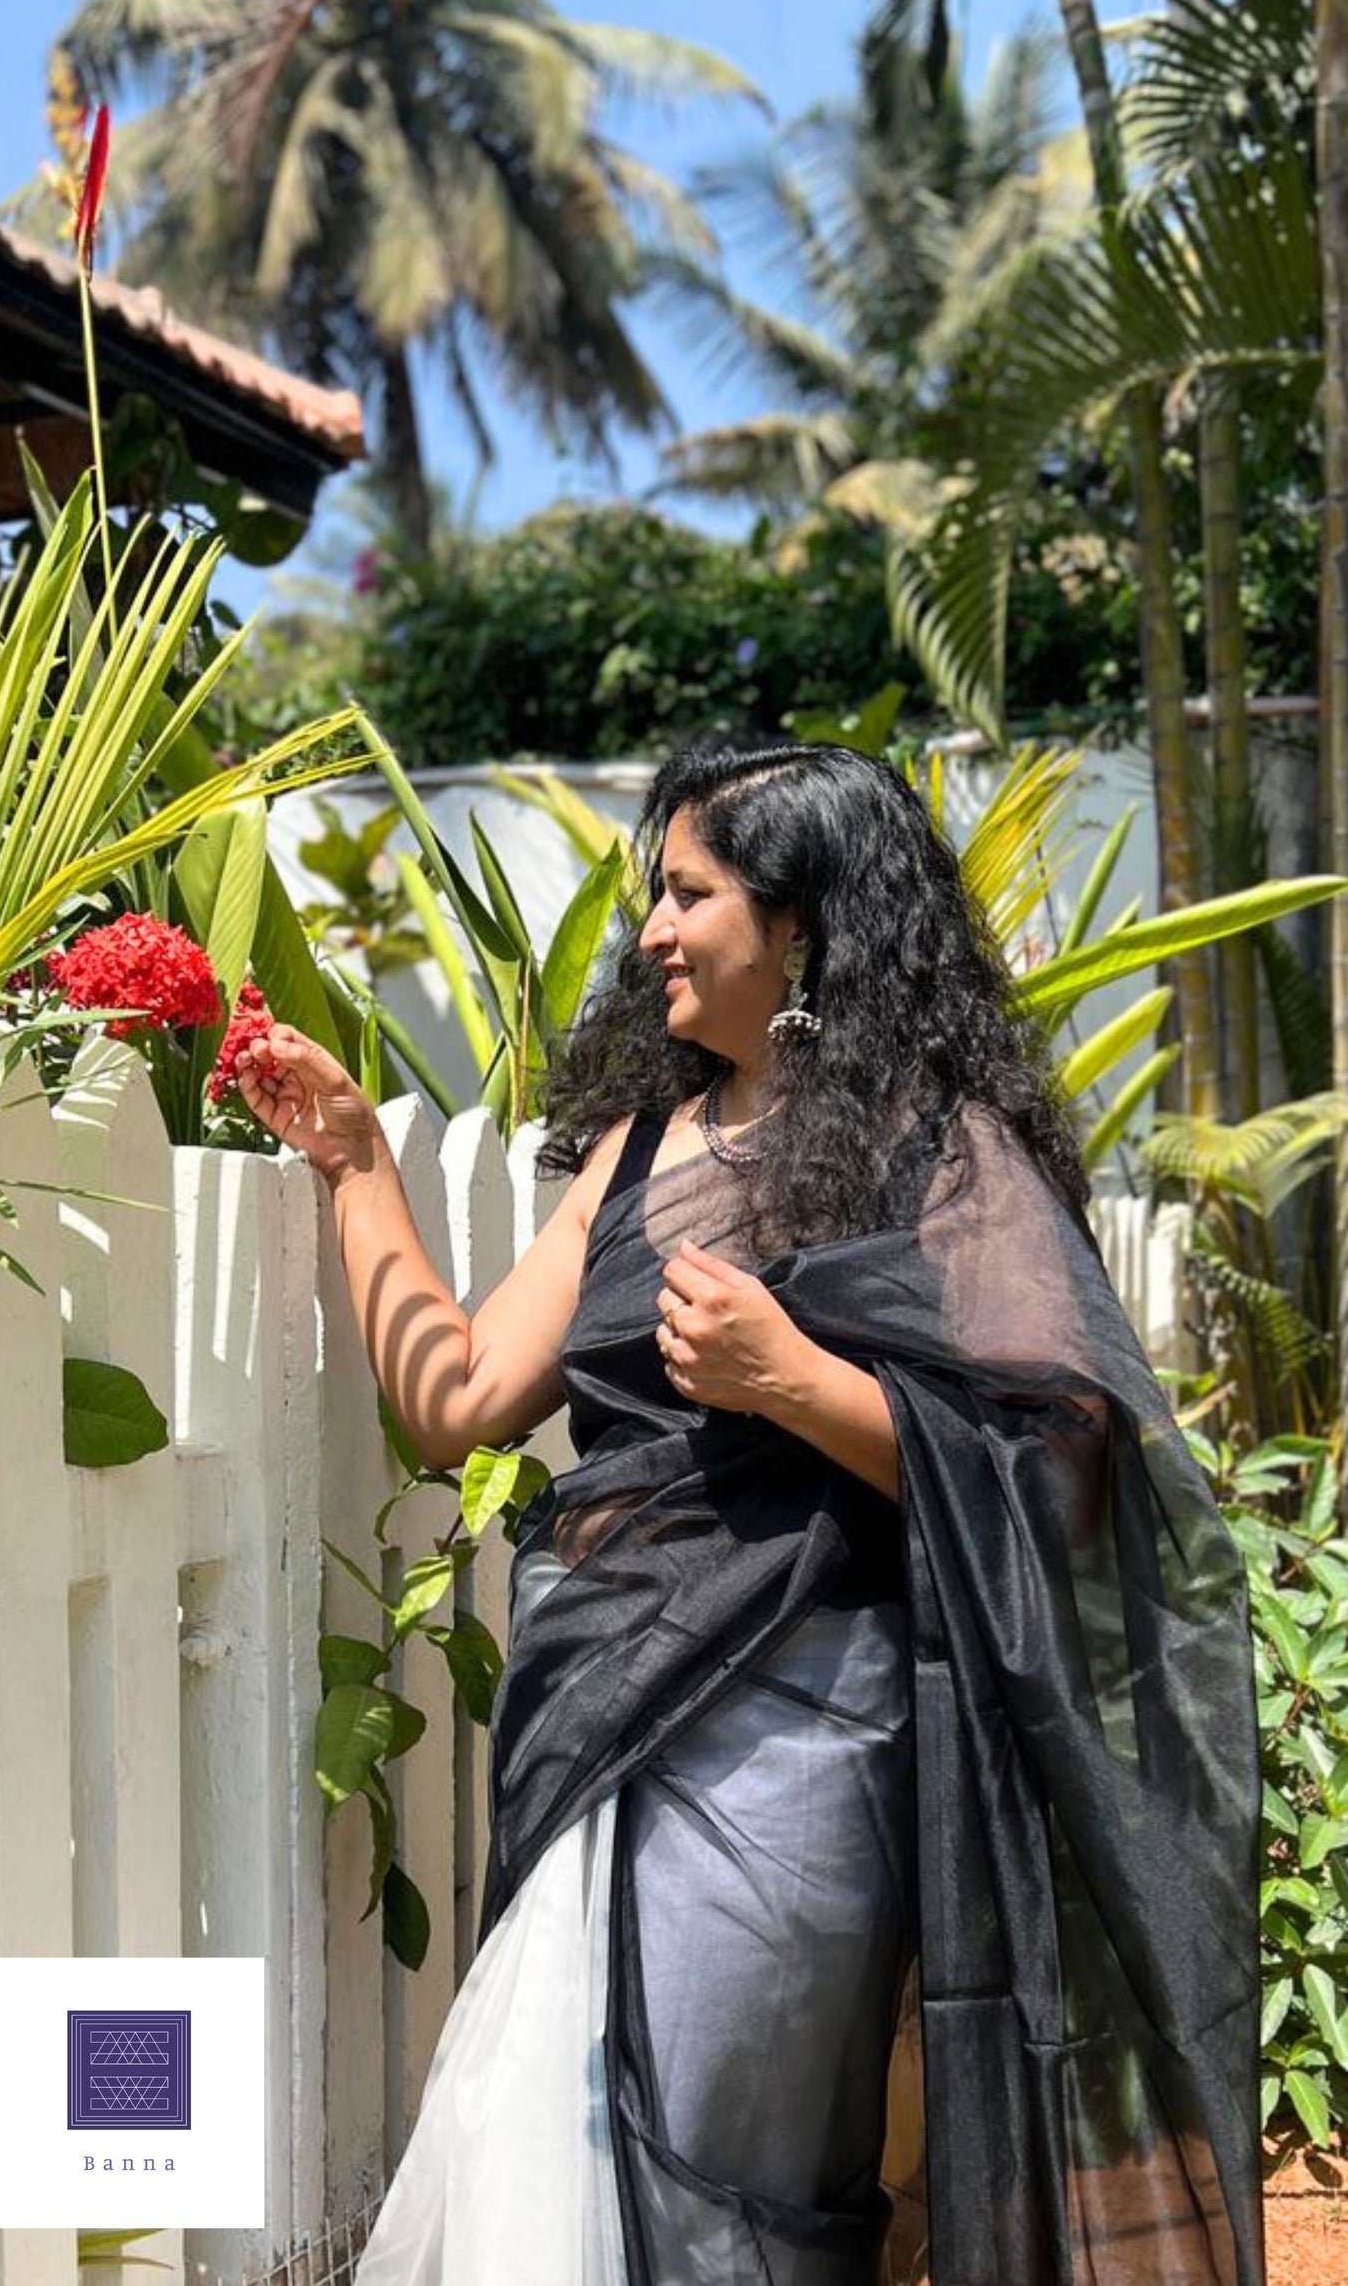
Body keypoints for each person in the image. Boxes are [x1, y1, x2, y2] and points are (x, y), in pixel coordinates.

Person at [238, 736, 1265, 2286]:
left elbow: (1057, 1478)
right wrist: (357, 1164)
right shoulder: (640, 1154)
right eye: (656, 890)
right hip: (594, 1720)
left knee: (736, 2165)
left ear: (800, 927)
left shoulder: (941, 1156)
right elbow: (450, 1400)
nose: (649, 927)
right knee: (552, 2138)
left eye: (687, 891)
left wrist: (792, 1380)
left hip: (804, 1738)